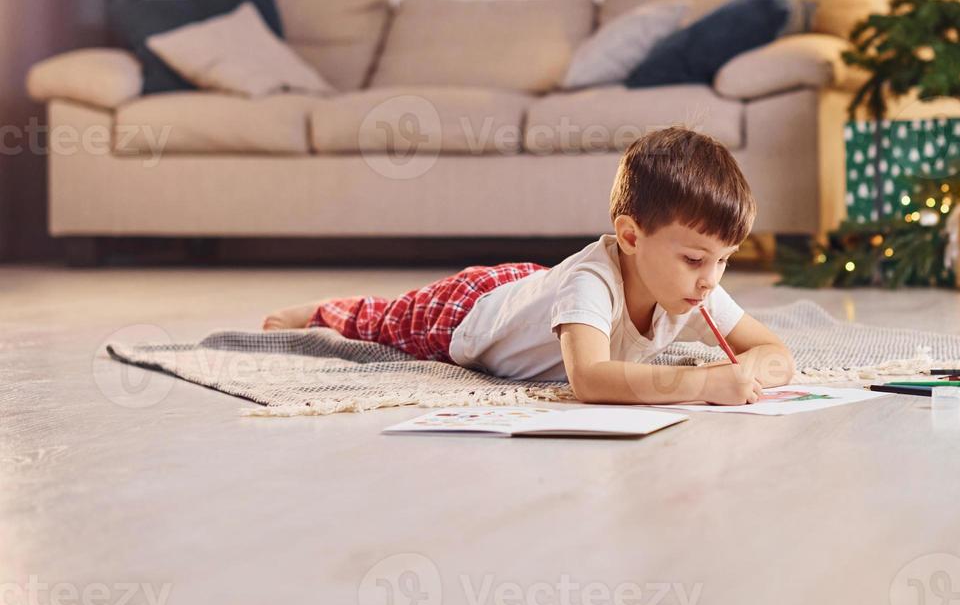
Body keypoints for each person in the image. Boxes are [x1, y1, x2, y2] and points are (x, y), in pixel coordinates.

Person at [263, 126, 795, 405]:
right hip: (473, 311)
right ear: (630, 236)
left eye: (724, 260)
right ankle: (317, 309)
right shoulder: (594, 282)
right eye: (696, 258)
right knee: (382, 320)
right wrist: (703, 384)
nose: (711, 277)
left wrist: (745, 371)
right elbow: (589, 379)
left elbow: (777, 355)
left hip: (537, 287)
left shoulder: (696, 288)